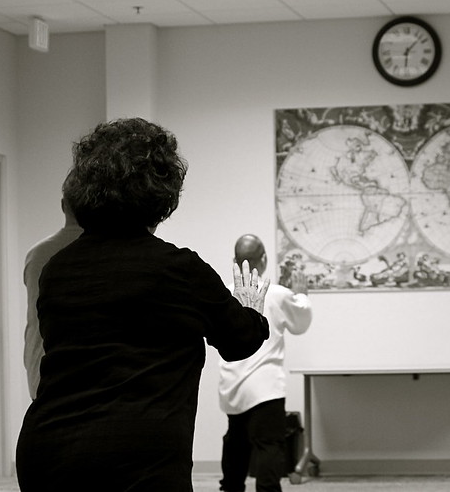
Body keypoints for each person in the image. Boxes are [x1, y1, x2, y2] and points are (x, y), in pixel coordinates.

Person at [16, 118, 270, 492]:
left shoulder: (58, 268)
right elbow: (239, 341)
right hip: (138, 458)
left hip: (47, 451)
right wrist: (251, 308)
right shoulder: (177, 269)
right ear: (163, 192)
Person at [218, 234, 313, 492]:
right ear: (264, 260)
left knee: (236, 442)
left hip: (232, 385)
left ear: (234, 261)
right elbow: (300, 324)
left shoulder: (223, 294)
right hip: (266, 386)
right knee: (269, 444)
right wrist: (302, 295)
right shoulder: (278, 294)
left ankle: (230, 488)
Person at [22, 189, 83, 399]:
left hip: (40, 365)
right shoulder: (102, 252)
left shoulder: (37, 253)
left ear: (63, 205)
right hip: (82, 373)